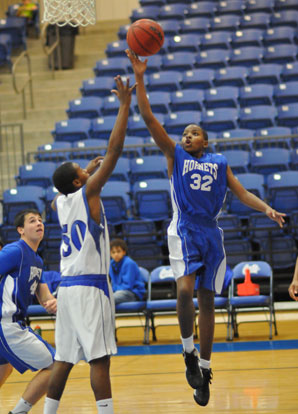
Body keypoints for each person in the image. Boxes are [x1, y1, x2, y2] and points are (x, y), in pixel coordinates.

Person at [126, 49, 286, 407]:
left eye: (193, 133)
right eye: (183, 133)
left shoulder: (219, 162)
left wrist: (268, 209)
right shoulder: (175, 156)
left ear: (206, 141)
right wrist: (139, 77)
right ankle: (187, 350)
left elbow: (242, 192)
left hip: (211, 232)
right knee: (184, 292)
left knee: (208, 300)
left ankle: (205, 368)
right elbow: (149, 118)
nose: (186, 136)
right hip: (184, 228)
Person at [43, 75, 136, 414]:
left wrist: (85, 173)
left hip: (66, 289)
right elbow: (114, 150)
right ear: (78, 182)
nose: (87, 170)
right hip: (90, 288)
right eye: (82, 170)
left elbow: (63, 188)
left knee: (63, 359)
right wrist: (124, 106)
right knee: (100, 359)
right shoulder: (89, 193)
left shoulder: (58, 204)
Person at [0, 209, 57, 413]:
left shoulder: (37, 260)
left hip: (10, 325)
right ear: (21, 230)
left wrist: (52, 302)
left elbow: (43, 293)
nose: (39, 223)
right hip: (7, 324)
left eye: (41, 220)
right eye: (32, 221)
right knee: (56, 365)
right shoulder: (15, 250)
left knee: (3, 370)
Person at [109, 238, 146, 305]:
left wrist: (113, 290)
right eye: (113, 252)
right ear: (110, 254)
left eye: (118, 251)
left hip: (133, 293)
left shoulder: (129, 263)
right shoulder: (110, 264)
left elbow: (128, 286)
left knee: (109, 299)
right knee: (105, 298)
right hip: (118, 292)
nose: (116, 254)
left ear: (124, 252)